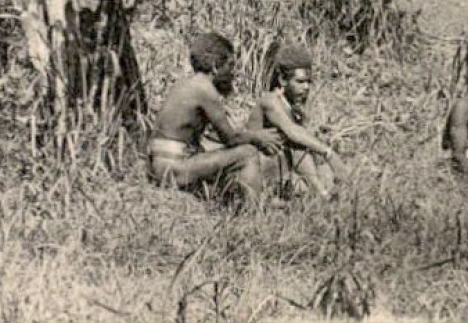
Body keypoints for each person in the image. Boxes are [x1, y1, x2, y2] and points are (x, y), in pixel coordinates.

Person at [148, 33, 281, 204]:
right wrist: (258, 137)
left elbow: (214, 137)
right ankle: (253, 211)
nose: (233, 73)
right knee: (248, 153)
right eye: (230, 66)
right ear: (216, 67)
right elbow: (231, 139)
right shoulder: (206, 90)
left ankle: (239, 199)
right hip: (172, 169)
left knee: (219, 151)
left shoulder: (184, 84)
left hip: (159, 166)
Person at [248, 42, 350, 198]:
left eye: (309, 82)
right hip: (252, 169)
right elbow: (293, 132)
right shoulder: (270, 100)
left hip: (274, 168)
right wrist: (329, 154)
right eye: (300, 82)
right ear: (282, 79)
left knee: (300, 148)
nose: (307, 87)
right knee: (297, 143)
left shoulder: (290, 105)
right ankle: (320, 194)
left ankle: (321, 193)